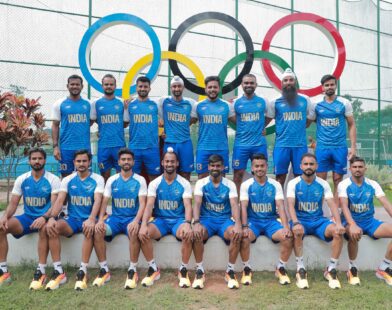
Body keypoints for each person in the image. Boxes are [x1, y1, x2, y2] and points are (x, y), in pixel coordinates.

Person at [0, 148, 60, 289]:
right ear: (29, 161)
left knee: (45, 229)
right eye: (34, 158)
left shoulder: (53, 179)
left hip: (45, 218)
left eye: (40, 158)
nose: (37, 161)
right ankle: (3, 269)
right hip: (27, 218)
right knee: (1, 227)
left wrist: (45, 218)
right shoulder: (22, 179)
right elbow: (14, 203)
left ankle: (41, 270)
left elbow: (54, 205)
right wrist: (4, 216)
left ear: (44, 160)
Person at [45, 150, 104, 291]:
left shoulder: (97, 179)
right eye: (78, 161)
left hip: (89, 218)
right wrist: (52, 217)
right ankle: (59, 270)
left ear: (89, 162)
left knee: (89, 229)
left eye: (84, 161)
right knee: (52, 228)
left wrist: (91, 219)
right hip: (72, 219)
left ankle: (83, 270)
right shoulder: (67, 179)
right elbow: (60, 200)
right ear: (74, 163)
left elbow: (98, 200)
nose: (81, 164)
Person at [287, 153, 345, 289]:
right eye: (305, 164)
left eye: (311, 164)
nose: (308, 167)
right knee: (297, 231)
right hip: (300, 220)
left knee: (338, 232)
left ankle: (331, 269)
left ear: (316, 166)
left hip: (319, 221)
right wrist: (295, 222)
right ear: (300, 166)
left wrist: (338, 223)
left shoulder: (323, 183)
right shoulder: (293, 183)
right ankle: (300, 269)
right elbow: (290, 204)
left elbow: (331, 204)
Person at [138, 148, 193, 288]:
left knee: (188, 233)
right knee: (143, 232)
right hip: (160, 221)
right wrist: (144, 224)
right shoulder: (155, 183)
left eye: (172, 161)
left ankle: (183, 269)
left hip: (178, 221)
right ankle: (153, 268)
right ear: (162, 163)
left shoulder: (184, 183)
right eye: (167, 161)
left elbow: (188, 206)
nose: (169, 164)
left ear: (177, 164)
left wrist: (187, 223)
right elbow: (149, 205)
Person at [93, 148, 147, 289]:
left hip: (132, 218)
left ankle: (132, 269)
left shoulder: (140, 180)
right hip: (116, 219)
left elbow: (143, 204)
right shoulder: (112, 179)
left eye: (129, 159)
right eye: (123, 159)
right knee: (98, 231)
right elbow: (104, 202)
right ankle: (104, 269)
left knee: (134, 231)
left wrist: (136, 221)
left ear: (133, 162)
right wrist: (100, 220)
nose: (126, 162)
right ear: (118, 162)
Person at [338, 156, 392, 286]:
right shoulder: (344, 184)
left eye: (360, 167)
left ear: (365, 169)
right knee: (353, 233)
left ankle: (383, 268)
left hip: (369, 221)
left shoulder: (372, 184)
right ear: (350, 169)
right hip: (350, 221)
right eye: (355, 167)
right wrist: (352, 224)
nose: (358, 169)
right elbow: (344, 206)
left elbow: (385, 203)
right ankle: (352, 268)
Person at [240, 154, 292, 286]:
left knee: (287, 237)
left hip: (271, 222)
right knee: (244, 237)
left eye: (262, 166)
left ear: (267, 166)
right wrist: (245, 227)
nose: (259, 169)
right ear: (252, 168)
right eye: (256, 166)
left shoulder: (275, 185)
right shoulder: (246, 185)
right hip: (253, 222)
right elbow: (244, 207)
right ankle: (247, 269)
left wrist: (285, 226)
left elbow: (281, 206)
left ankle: (280, 268)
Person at [192, 154, 241, 289]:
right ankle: (200, 271)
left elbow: (234, 205)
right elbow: (196, 203)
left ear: (223, 167)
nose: (215, 168)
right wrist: (196, 223)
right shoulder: (201, 183)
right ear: (208, 167)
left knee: (236, 234)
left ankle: (230, 271)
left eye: (218, 166)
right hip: (206, 220)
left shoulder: (229, 184)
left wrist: (237, 224)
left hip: (224, 221)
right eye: (212, 166)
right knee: (197, 233)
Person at [309, 74, 357, 198]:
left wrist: (353, 147)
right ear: (322, 88)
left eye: (332, 84)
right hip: (322, 148)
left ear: (335, 86)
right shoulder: (316, 105)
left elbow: (351, 124)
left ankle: (335, 214)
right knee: (321, 181)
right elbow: (310, 121)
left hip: (339, 147)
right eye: (326, 85)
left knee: (337, 180)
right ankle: (320, 213)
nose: (329, 87)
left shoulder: (344, 103)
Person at [266, 69, 313, 188]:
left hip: (300, 145)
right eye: (285, 80)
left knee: (300, 177)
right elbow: (266, 120)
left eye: (291, 80)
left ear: (295, 82)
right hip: (282, 145)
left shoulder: (305, 100)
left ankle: (298, 205)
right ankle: (279, 205)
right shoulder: (274, 102)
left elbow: (309, 119)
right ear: (281, 84)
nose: (288, 82)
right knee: (279, 178)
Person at [232, 74, 271, 194]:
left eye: (251, 83)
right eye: (246, 83)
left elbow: (269, 116)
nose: (249, 85)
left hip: (259, 144)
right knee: (238, 174)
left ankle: (260, 200)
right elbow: (231, 118)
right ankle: (237, 204)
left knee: (260, 174)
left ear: (256, 85)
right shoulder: (235, 102)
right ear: (242, 85)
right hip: (241, 145)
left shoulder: (263, 101)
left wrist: (261, 126)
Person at [90, 74, 129, 182]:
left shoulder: (121, 102)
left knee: (121, 177)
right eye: (106, 84)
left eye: (111, 84)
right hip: (103, 146)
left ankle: (118, 198)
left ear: (115, 86)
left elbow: (125, 124)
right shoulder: (96, 103)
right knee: (105, 178)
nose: (109, 86)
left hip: (119, 145)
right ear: (102, 86)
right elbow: (91, 121)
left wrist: (126, 109)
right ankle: (106, 199)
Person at [52, 75, 93, 177]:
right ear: (67, 86)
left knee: (86, 176)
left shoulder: (89, 104)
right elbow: (55, 125)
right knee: (65, 177)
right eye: (72, 84)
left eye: (77, 84)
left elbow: (91, 121)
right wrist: (55, 147)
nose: (75, 86)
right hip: (66, 148)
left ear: (82, 86)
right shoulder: (59, 103)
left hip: (84, 148)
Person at [158, 76, 197, 181]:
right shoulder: (163, 101)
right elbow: (152, 114)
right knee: (167, 172)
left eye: (179, 86)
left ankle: (185, 196)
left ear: (183, 88)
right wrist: (161, 131)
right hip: (169, 142)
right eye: (174, 86)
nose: (176, 89)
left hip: (185, 143)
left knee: (186, 174)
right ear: (171, 88)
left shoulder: (191, 103)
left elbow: (194, 118)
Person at [195, 76, 235, 179]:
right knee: (202, 179)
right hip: (203, 148)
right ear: (206, 89)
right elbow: (186, 123)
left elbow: (241, 123)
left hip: (221, 148)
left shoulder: (227, 106)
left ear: (219, 89)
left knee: (221, 179)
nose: (212, 89)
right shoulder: (198, 106)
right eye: (210, 87)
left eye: (215, 87)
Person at [127, 76, 160, 182]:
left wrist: (165, 131)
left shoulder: (156, 105)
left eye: (145, 86)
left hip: (152, 148)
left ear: (149, 88)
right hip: (134, 148)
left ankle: (153, 199)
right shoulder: (129, 105)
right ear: (136, 88)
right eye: (140, 86)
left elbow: (166, 120)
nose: (142, 89)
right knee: (134, 179)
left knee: (154, 179)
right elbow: (124, 122)